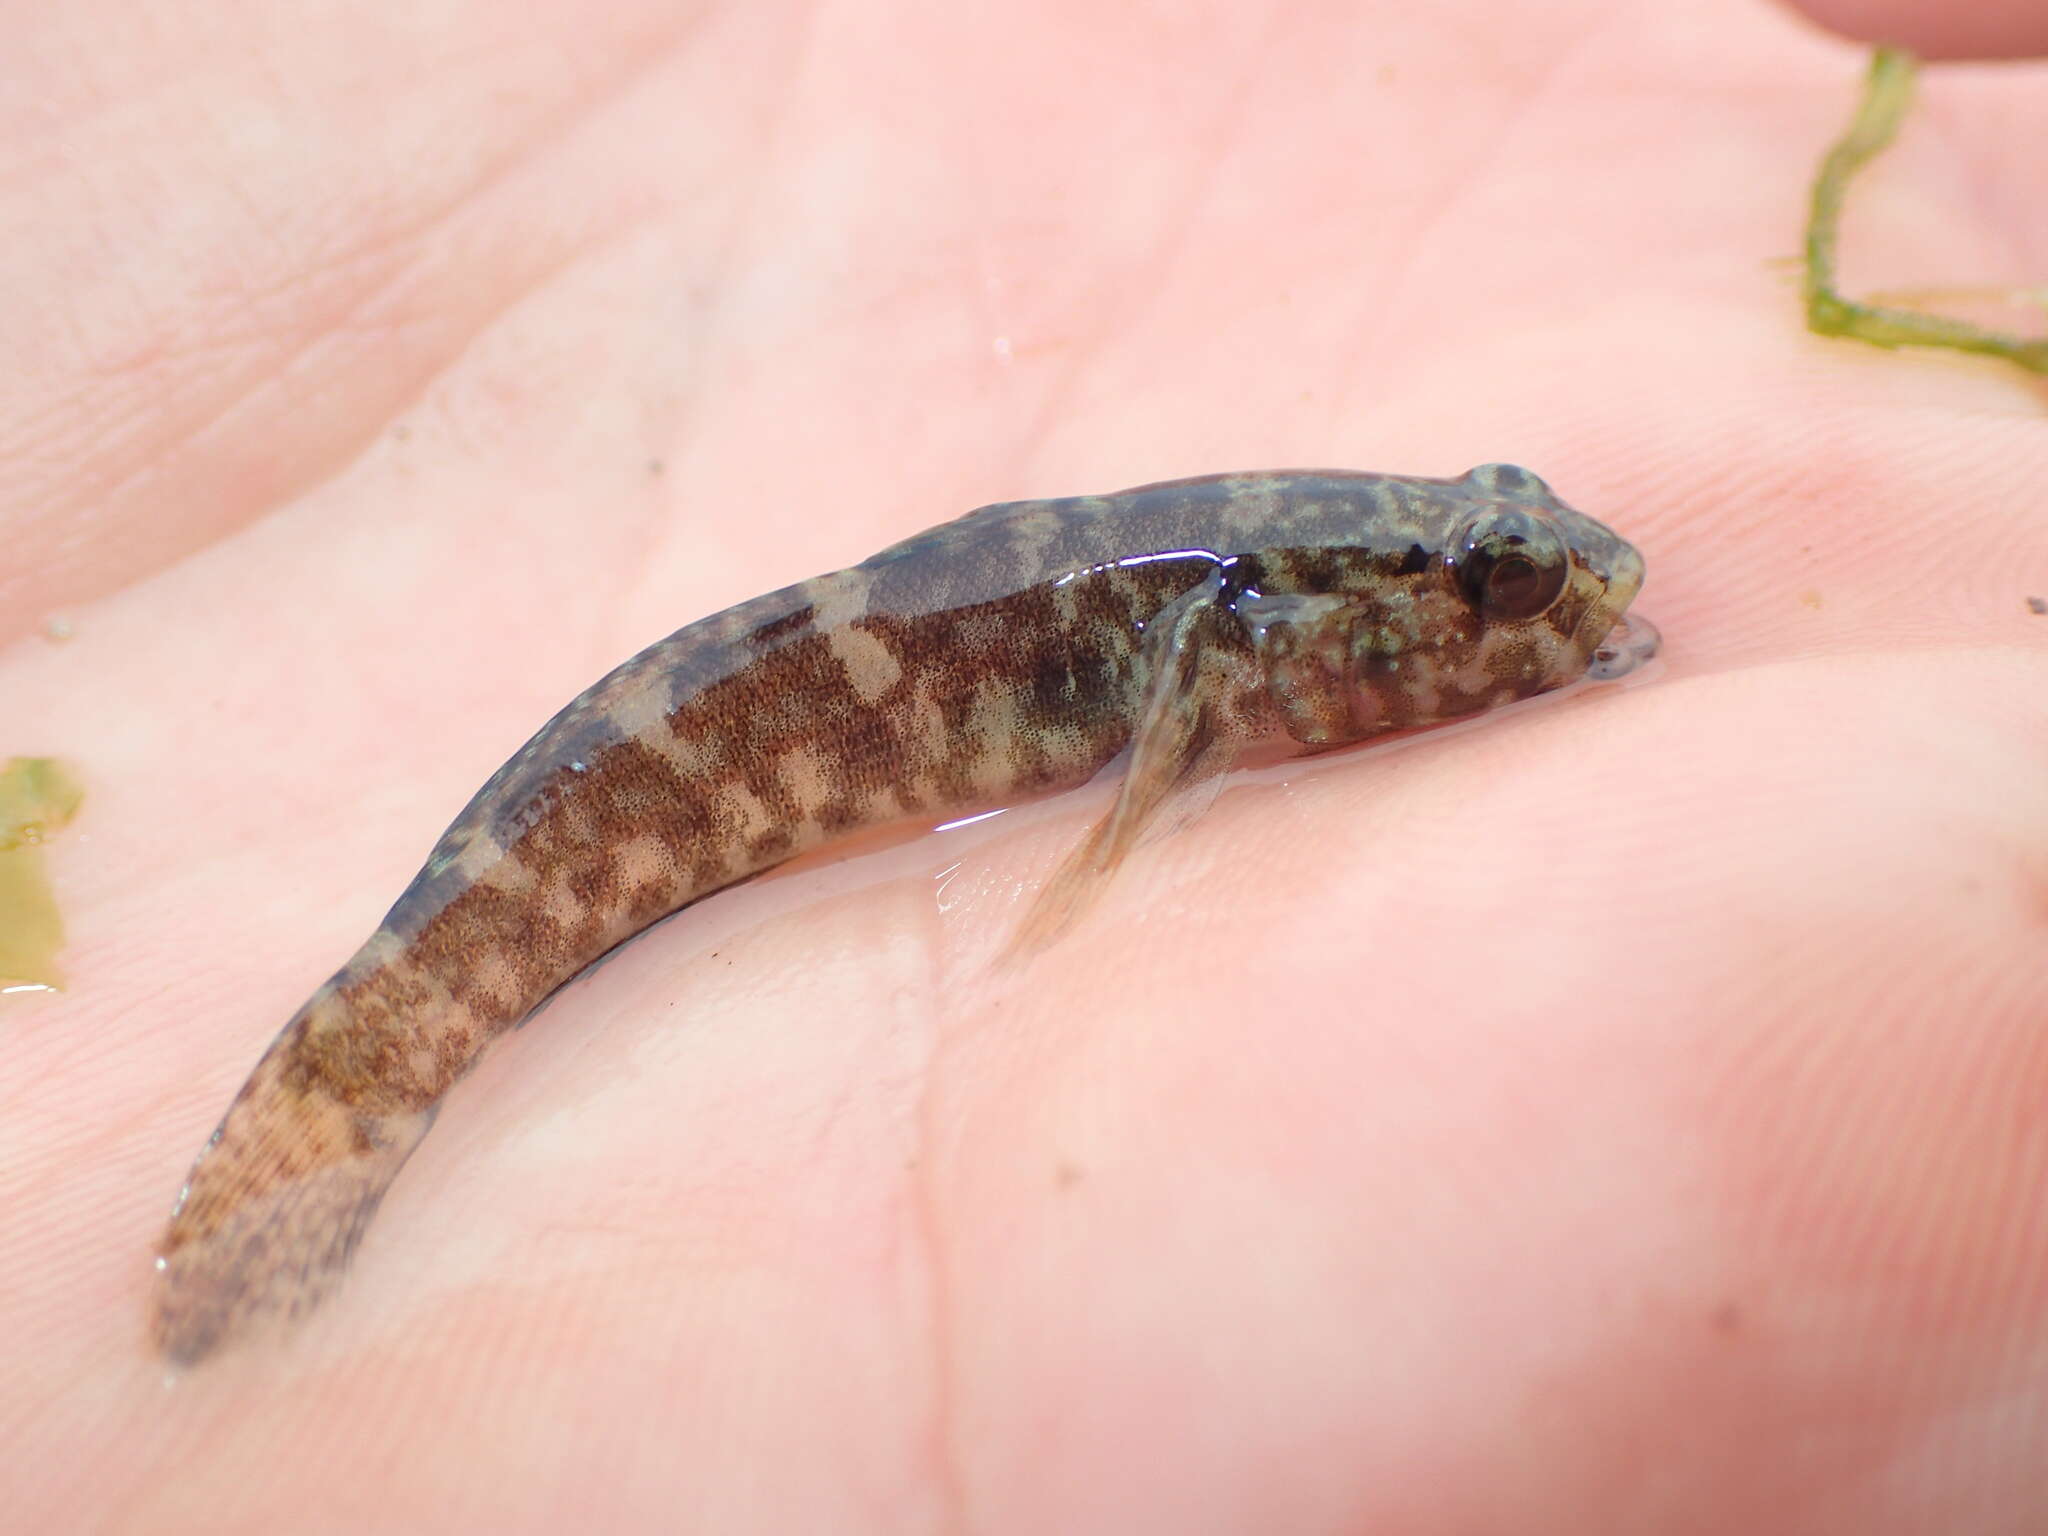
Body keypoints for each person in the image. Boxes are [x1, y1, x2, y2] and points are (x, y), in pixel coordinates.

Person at [3, 0, 2043, 1528]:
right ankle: (316, 1145)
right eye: (1496, 579)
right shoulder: (1215, 636)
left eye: (1511, 554)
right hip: (655, 779)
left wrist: (1533, 652)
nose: (1556, 586)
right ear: (1269, 630)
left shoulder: (1274, 613)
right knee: (496, 919)